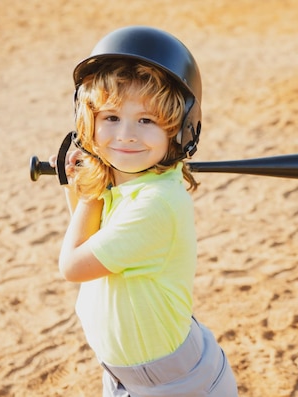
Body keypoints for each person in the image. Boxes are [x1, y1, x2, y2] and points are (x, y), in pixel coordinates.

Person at [51, 26, 238, 396]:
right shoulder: (135, 183)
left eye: (147, 120)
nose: (126, 135)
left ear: (180, 129)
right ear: (88, 123)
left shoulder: (155, 205)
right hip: (128, 380)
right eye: (111, 118)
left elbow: (73, 266)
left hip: (174, 385)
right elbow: (88, 233)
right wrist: (85, 185)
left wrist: (90, 196)